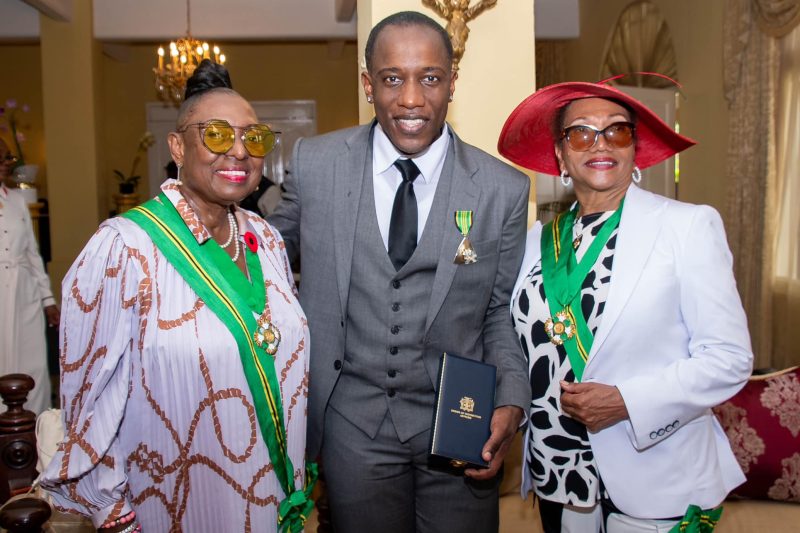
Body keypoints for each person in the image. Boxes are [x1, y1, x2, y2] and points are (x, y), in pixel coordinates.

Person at [268, 11, 530, 533]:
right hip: (351, 425)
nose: (411, 99)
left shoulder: (503, 188)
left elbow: (499, 312)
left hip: (459, 421)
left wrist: (511, 400)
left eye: (430, 78)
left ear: (452, 83)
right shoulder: (317, 164)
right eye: (392, 79)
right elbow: (262, 259)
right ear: (369, 85)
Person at [41, 60, 315, 532]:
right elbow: (89, 403)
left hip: (272, 494)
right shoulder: (125, 248)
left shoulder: (266, 239)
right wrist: (114, 514)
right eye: (216, 136)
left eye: (252, 139)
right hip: (177, 502)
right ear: (177, 147)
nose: (238, 152)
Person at [497, 80, 754, 532]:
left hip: (656, 471)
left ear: (634, 148)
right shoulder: (535, 243)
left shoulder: (687, 227)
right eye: (581, 133)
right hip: (558, 471)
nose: (601, 144)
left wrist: (627, 402)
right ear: (560, 155)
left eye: (617, 131)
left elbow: (729, 359)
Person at [0, 137, 58, 415]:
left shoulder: (16, 201)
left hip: (25, 293)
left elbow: (33, 254)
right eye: (1, 158)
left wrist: (48, 300)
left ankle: (34, 422)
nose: (5, 164)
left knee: (31, 359)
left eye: (7, 158)